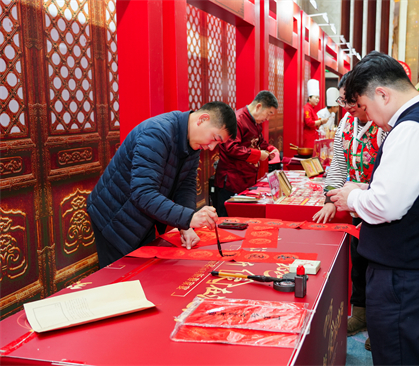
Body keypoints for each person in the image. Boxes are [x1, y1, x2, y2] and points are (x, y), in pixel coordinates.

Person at [329, 51, 419, 365]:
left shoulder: (411, 129)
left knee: (400, 356)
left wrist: (352, 196)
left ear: (382, 93)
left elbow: (386, 205)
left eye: (363, 107)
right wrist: (364, 189)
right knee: (415, 353)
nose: (368, 117)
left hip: (408, 276)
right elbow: (414, 191)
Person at [87, 102, 238, 268]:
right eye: (215, 139)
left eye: (218, 144)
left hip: (142, 215)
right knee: (120, 280)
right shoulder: (156, 133)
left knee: (143, 272)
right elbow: (143, 193)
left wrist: (185, 226)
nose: (211, 147)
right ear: (203, 119)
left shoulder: (193, 141)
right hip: (114, 216)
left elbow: (186, 186)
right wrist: (189, 218)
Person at [312, 72, 384, 350]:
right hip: (356, 206)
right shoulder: (346, 122)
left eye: (350, 100)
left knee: (381, 268)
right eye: (343, 99)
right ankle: (361, 314)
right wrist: (331, 197)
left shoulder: (385, 124)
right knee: (360, 263)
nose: (346, 106)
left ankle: (380, 325)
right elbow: (338, 165)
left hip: (381, 204)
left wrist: (363, 192)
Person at [214, 91, 280, 216]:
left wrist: (271, 149)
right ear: (259, 106)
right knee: (229, 219)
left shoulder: (255, 121)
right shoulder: (237, 119)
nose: (267, 119)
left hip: (246, 177)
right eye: (268, 113)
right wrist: (258, 155)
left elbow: (260, 141)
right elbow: (231, 148)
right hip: (232, 180)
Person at [303, 79, 328, 148]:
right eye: (316, 97)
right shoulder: (307, 108)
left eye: (318, 98)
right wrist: (320, 121)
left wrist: (321, 122)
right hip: (309, 137)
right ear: (309, 98)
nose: (317, 100)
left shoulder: (312, 108)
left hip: (314, 136)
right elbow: (309, 123)